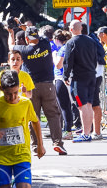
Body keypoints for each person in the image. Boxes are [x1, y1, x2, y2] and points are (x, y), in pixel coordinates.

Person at [12, 26, 67, 154]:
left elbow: (12, 46)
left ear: (26, 38)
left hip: (31, 87)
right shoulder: (45, 44)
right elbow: (43, 36)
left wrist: (11, 32)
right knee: (53, 114)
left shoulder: (23, 50)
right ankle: (57, 142)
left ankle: (36, 145)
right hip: (48, 85)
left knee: (33, 116)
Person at [62, 19, 103, 141]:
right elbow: (96, 57)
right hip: (91, 75)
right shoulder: (91, 41)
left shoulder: (71, 42)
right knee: (89, 104)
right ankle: (87, 132)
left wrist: (66, 75)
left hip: (79, 77)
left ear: (71, 29)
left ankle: (85, 133)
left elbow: (68, 60)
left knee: (81, 105)